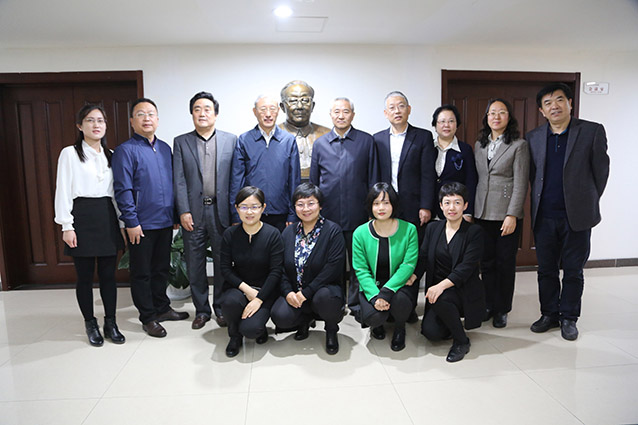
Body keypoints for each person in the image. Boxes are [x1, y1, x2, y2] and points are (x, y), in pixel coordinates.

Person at [527, 83, 610, 341]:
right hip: (544, 216)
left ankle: (569, 317)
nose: (555, 106)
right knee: (546, 270)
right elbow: (533, 176)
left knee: (573, 270)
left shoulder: (591, 131)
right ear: (542, 111)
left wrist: (586, 199)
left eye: (560, 100)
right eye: (548, 103)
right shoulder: (534, 137)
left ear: (570, 103)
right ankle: (549, 314)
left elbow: (601, 173)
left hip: (577, 217)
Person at [112, 98, 189, 338]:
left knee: (161, 269)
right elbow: (123, 189)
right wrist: (131, 221)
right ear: (132, 121)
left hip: (164, 222)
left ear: (157, 119)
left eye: (151, 114)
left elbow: (173, 184)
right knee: (142, 272)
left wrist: (174, 215)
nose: (147, 118)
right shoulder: (125, 150)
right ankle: (148, 317)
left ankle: (162, 308)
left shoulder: (165, 148)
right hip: (141, 225)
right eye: (141, 114)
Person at [54, 104, 126, 346]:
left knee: (108, 276)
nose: (96, 125)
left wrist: (122, 222)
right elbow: (63, 190)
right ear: (80, 126)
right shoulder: (69, 154)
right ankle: (90, 323)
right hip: (82, 217)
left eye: (100, 121)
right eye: (90, 120)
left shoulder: (111, 155)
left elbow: (116, 194)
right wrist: (67, 225)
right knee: (84, 277)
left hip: (106, 216)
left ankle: (111, 323)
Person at [310, 97, 378, 320]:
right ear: (331, 115)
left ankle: (356, 304)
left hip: (358, 214)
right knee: (333, 263)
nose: (341, 115)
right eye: (337, 111)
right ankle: (335, 302)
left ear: (353, 115)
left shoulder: (366, 141)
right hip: (329, 216)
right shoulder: (320, 144)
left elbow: (373, 180)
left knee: (359, 262)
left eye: (346, 111)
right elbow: (314, 183)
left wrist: (373, 213)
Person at [173, 91, 238, 330]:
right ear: (192, 114)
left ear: (216, 114)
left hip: (222, 212)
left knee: (223, 262)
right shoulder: (181, 142)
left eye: (207, 109)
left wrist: (235, 214)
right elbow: (179, 180)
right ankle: (202, 310)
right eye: (197, 109)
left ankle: (220, 308)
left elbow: (236, 179)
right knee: (195, 263)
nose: (202, 113)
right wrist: (183, 210)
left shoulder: (231, 141)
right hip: (193, 213)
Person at [374, 91, 437, 323]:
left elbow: (428, 174)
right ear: (385, 113)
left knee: (412, 256)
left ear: (409, 109)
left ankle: (408, 305)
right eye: (392, 107)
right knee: (390, 254)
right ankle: (389, 302)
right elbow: (375, 175)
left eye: (401, 106)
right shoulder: (377, 139)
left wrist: (426, 205)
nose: (397, 111)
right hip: (386, 206)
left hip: (413, 206)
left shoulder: (423, 136)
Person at [270, 183, 345, 355]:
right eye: (300, 204)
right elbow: (279, 267)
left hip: (323, 291)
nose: (305, 209)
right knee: (280, 315)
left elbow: (332, 269)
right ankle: (304, 321)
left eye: (311, 203)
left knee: (325, 298)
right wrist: (288, 292)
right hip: (297, 293)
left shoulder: (333, 231)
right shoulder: (288, 232)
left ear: (320, 205)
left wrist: (307, 292)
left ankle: (331, 330)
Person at [473, 98, 529, 329]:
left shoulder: (518, 145)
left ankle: (502, 309)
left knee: (505, 263)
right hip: (482, 211)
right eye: (492, 113)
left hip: (506, 214)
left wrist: (512, 214)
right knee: (486, 263)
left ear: (509, 117)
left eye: (501, 112)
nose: (496, 117)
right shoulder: (480, 144)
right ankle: (488, 304)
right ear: (486, 117)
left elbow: (521, 183)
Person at [416, 182, 485, 362]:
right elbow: (423, 257)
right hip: (439, 291)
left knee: (439, 297)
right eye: (447, 203)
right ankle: (449, 320)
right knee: (430, 333)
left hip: (462, 289)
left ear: (465, 205)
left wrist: (440, 286)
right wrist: (413, 276)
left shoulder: (474, 232)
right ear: (440, 205)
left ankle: (462, 341)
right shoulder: (433, 228)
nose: (451, 208)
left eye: (457, 203)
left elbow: (466, 268)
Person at [352, 183, 418, 352]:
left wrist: (387, 292)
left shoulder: (409, 229)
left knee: (401, 301)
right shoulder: (360, 233)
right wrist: (375, 296)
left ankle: (400, 327)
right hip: (372, 286)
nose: (381, 208)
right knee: (373, 317)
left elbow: (408, 265)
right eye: (376, 203)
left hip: (399, 285)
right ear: (370, 206)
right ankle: (378, 324)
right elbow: (361, 269)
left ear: (393, 204)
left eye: (386, 202)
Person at [220, 186, 284, 357]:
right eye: (244, 207)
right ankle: (234, 336)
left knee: (251, 329)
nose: (249, 212)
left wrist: (259, 298)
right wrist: (247, 290)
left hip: (265, 290)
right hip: (239, 288)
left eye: (255, 207)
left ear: (263, 208)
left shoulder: (273, 234)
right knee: (229, 302)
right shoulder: (230, 234)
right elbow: (225, 268)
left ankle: (258, 327)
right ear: (236, 208)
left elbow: (276, 271)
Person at [230, 95, 301, 232]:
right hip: (251, 212)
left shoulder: (288, 140)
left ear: (278, 111)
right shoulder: (244, 140)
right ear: (255, 112)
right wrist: (236, 215)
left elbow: (294, 180)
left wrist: (293, 214)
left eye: (272, 109)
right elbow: (236, 181)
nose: (268, 114)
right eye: (263, 109)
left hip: (281, 214)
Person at [430, 104, 477, 220]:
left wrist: (468, 212)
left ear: (457, 125)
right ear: (435, 125)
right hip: (430, 210)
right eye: (442, 121)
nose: (446, 125)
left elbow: (471, 181)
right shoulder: (428, 148)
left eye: (451, 121)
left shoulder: (465, 150)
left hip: (455, 211)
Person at [278, 80, 330, 178]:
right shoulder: (273, 136)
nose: (300, 106)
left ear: (312, 105)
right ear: (282, 107)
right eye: (293, 101)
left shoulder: (327, 135)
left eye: (305, 100)